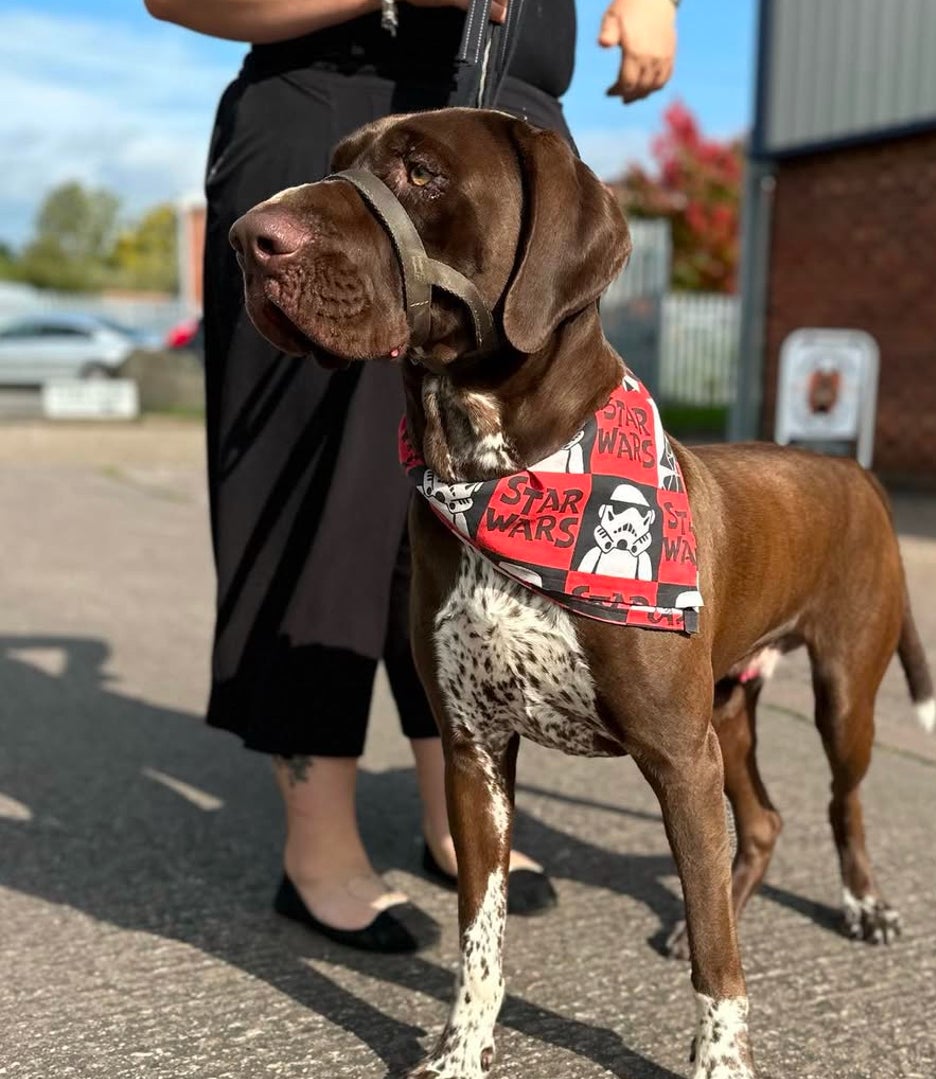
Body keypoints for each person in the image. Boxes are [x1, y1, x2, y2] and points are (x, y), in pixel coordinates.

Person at [145, 0, 678, 951]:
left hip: (507, 125)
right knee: (318, 503)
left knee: (491, 494)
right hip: (331, 114)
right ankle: (320, 843)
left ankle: (456, 815)